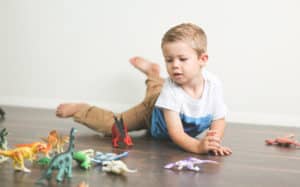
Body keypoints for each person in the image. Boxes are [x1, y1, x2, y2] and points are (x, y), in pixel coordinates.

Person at [56, 23, 232, 156]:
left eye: (182, 59)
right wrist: (198, 146)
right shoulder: (171, 90)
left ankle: (152, 72)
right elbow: (176, 133)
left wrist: (213, 141)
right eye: (169, 60)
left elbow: (219, 119)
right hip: (151, 112)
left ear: (202, 59)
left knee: (157, 87)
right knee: (114, 126)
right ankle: (81, 109)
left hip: (161, 96)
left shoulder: (213, 85)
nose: (175, 66)